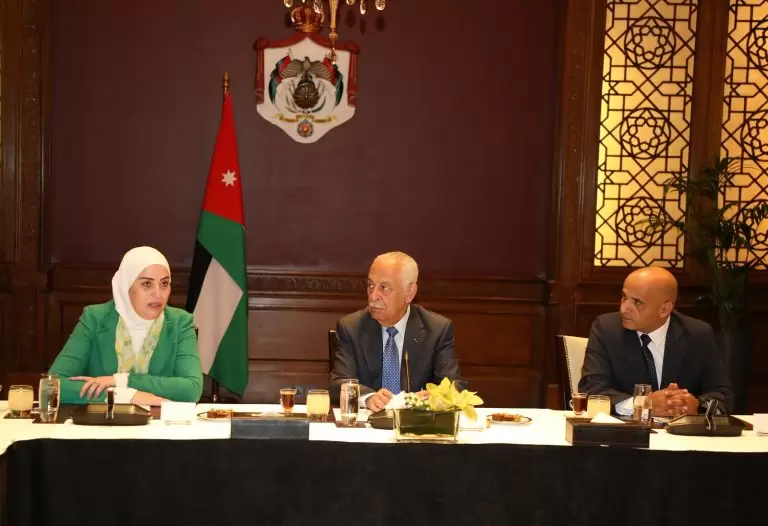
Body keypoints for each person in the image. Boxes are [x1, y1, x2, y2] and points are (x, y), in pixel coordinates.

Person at [49, 246, 203, 405]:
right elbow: (53, 385)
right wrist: (125, 396)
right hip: (104, 420)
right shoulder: (95, 318)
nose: (158, 294)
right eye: (147, 284)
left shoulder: (180, 322)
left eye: (164, 283)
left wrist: (121, 380)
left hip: (159, 421)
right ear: (126, 284)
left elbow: (191, 389)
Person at [578, 266, 733, 417]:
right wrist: (642, 404)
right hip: (628, 431)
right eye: (624, 297)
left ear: (664, 309)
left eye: (637, 302)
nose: (624, 308)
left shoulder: (698, 334)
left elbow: (723, 395)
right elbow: (591, 389)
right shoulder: (606, 329)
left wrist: (697, 406)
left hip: (681, 432)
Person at [330, 251, 465, 411]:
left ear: (409, 293)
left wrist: (428, 398)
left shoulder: (437, 330)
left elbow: (455, 387)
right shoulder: (351, 327)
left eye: (383, 288)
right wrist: (368, 397)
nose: (373, 296)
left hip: (416, 423)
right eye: (370, 286)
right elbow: (338, 384)